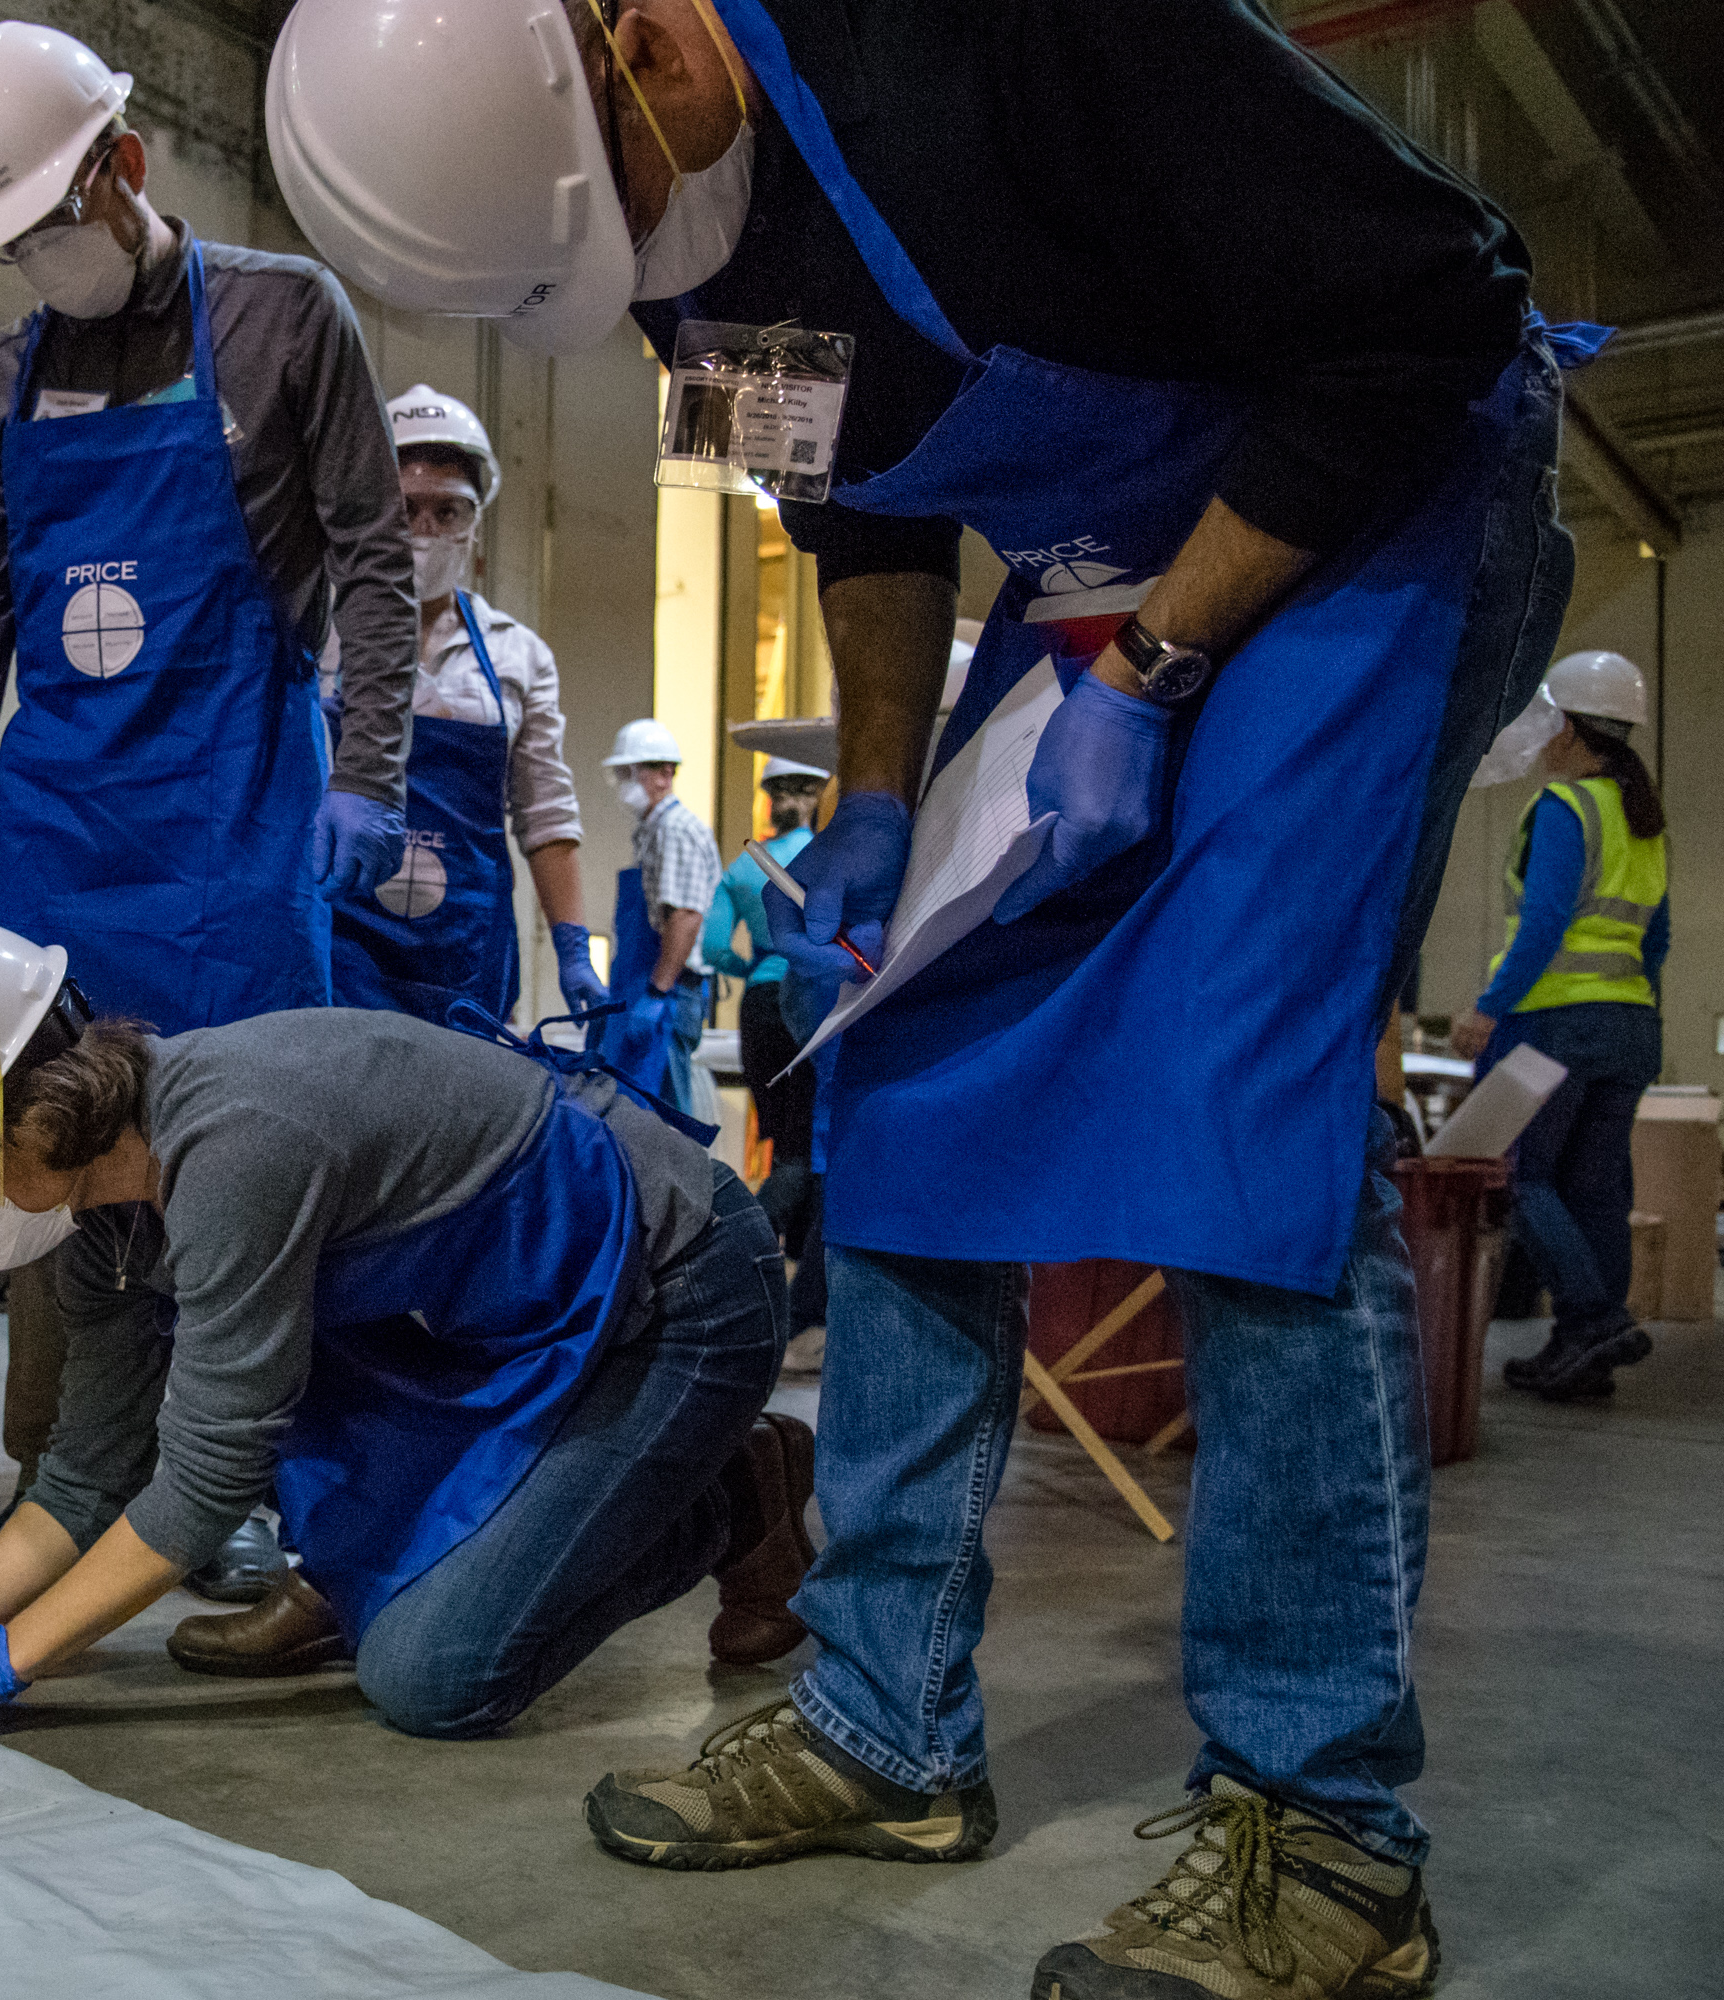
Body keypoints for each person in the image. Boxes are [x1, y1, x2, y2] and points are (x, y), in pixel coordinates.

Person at [267, 2, 1577, 1992]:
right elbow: (850, 500)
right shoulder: (629, 210)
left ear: (654, 50)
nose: (631, 301)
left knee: (1243, 1113)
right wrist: (880, 798)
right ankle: (883, 1719)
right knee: (903, 1083)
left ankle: (1325, 1839)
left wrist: (1145, 680)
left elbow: (1429, 310)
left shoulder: (1007, 49)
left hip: (1377, 485)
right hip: (1102, 565)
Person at [0, 915, 810, 1736]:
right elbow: (86, 1476)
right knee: (385, 1604)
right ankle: (445, 1545)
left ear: (31, 1112)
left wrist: (5, 1659)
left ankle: (732, 1494)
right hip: (491, 1328)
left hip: (679, 1291)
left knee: (435, 1675)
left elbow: (210, 1478)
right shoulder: (99, 1220)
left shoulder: (234, 1146)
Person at [0, 21, 416, 1586]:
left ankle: (264, 1486)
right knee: (55, 1165)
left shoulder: (281, 320)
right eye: (18, 243)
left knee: (248, 1162)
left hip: (235, 817)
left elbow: (378, 561)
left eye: (58, 221)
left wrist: (372, 775)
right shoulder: (2, 379)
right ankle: (67, 1482)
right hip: (61, 833)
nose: (45, 261)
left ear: (124, 167)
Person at [330, 385, 611, 1024]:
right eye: (406, 509)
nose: (425, 532)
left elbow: (544, 813)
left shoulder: (519, 656)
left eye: (448, 512)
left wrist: (573, 951)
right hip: (343, 949)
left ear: (476, 523)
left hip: (464, 951)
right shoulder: (321, 636)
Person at [1450, 650, 1668, 1403]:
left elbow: (1542, 925)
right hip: (1632, 1025)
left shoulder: (1565, 808)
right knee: (1597, 1191)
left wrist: (1488, 1007)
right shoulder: (1644, 822)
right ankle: (1582, 1353)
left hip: (1554, 1022)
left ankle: (1595, 1318)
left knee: (1521, 1176)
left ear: (1567, 726)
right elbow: (1658, 940)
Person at [704, 757, 828, 1365]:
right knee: (807, 1154)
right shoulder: (825, 856)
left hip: (755, 1008)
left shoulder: (745, 864)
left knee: (780, 1142)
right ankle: (724, 1244)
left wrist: (751, 968)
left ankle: (780, 1307)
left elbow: (711, 948)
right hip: (806, 1002)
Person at [595, 719, 722, 1114]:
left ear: (664, 774)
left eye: (626, 771)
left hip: (667, 995)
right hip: (646, 985)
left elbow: (684, 916)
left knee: (667, 1124)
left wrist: (655, 993)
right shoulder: (651, 829)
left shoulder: (677, 829)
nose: (620, 781)